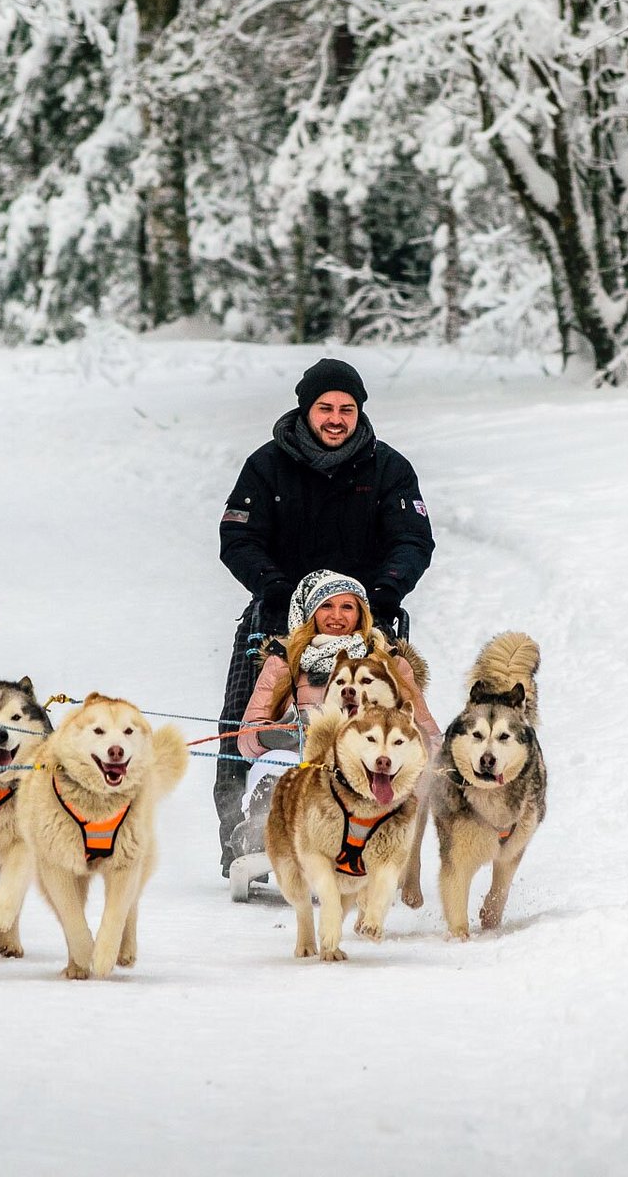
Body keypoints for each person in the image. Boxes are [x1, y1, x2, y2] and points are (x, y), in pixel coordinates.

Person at [215, 357, 435, 874]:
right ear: (305, 410)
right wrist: (273, 587)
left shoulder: (389, 469)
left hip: (366, 618)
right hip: (278, 613)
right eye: (325, 408)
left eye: (347, 408)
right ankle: (241, 835)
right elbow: (238, 537)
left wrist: (383, 594)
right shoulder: (266, 466)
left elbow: (412, 539)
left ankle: (371, 831)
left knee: (376, 728)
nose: (336, 418)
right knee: (241, 720)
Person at [227, 569, 440, 861]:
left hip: (365, 764)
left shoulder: (390, 664)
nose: (336, 616)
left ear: (361, 614)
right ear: (311, 612)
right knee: (274, 765)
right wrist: (286, 733)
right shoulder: (283, 662)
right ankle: (265, 833)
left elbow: (430, 738)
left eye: (347, 607)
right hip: (298, 756)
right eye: (326, 606)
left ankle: (354, 843)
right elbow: (246, 738)